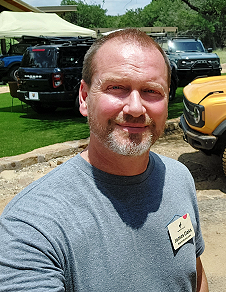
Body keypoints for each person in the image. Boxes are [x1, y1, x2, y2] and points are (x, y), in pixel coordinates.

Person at [0, 28, 208, 292]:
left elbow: (195, 276)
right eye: (117, 88)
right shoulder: (32, 225)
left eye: (151, 91)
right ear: (85, 98)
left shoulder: (179, 178)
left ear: (167, 99)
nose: (135, 108)